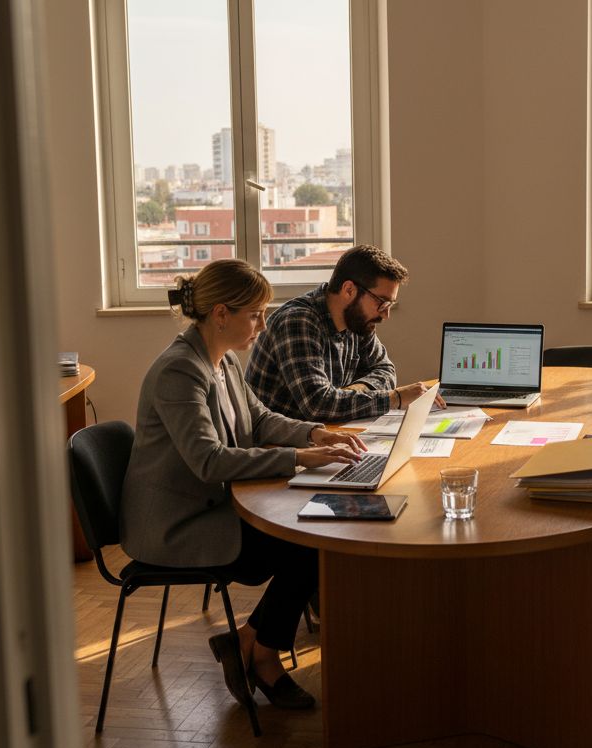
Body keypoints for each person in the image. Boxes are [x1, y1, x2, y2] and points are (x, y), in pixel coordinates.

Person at [119, 258, 366, 711]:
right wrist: (298, 458)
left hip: (211, 506)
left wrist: (315, 433)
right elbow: (210, 461)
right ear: (220, 314)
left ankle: (249, 641)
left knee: (313, 533)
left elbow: (260, 418)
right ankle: (262, 653)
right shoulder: (180, 370)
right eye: (255, 314)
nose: (263, 324)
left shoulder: (223, 360)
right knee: (310, 540)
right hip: (177, 525)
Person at [246, 244, 443, 423]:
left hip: (325, 436)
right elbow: (319, 405)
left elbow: (385, 370)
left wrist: (350, 392)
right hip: (279, 448)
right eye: (381, 302)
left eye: (390, 304)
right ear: (349, 290)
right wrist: (396, 397)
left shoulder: (356, 321)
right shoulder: (297, 322)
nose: (386, 314)